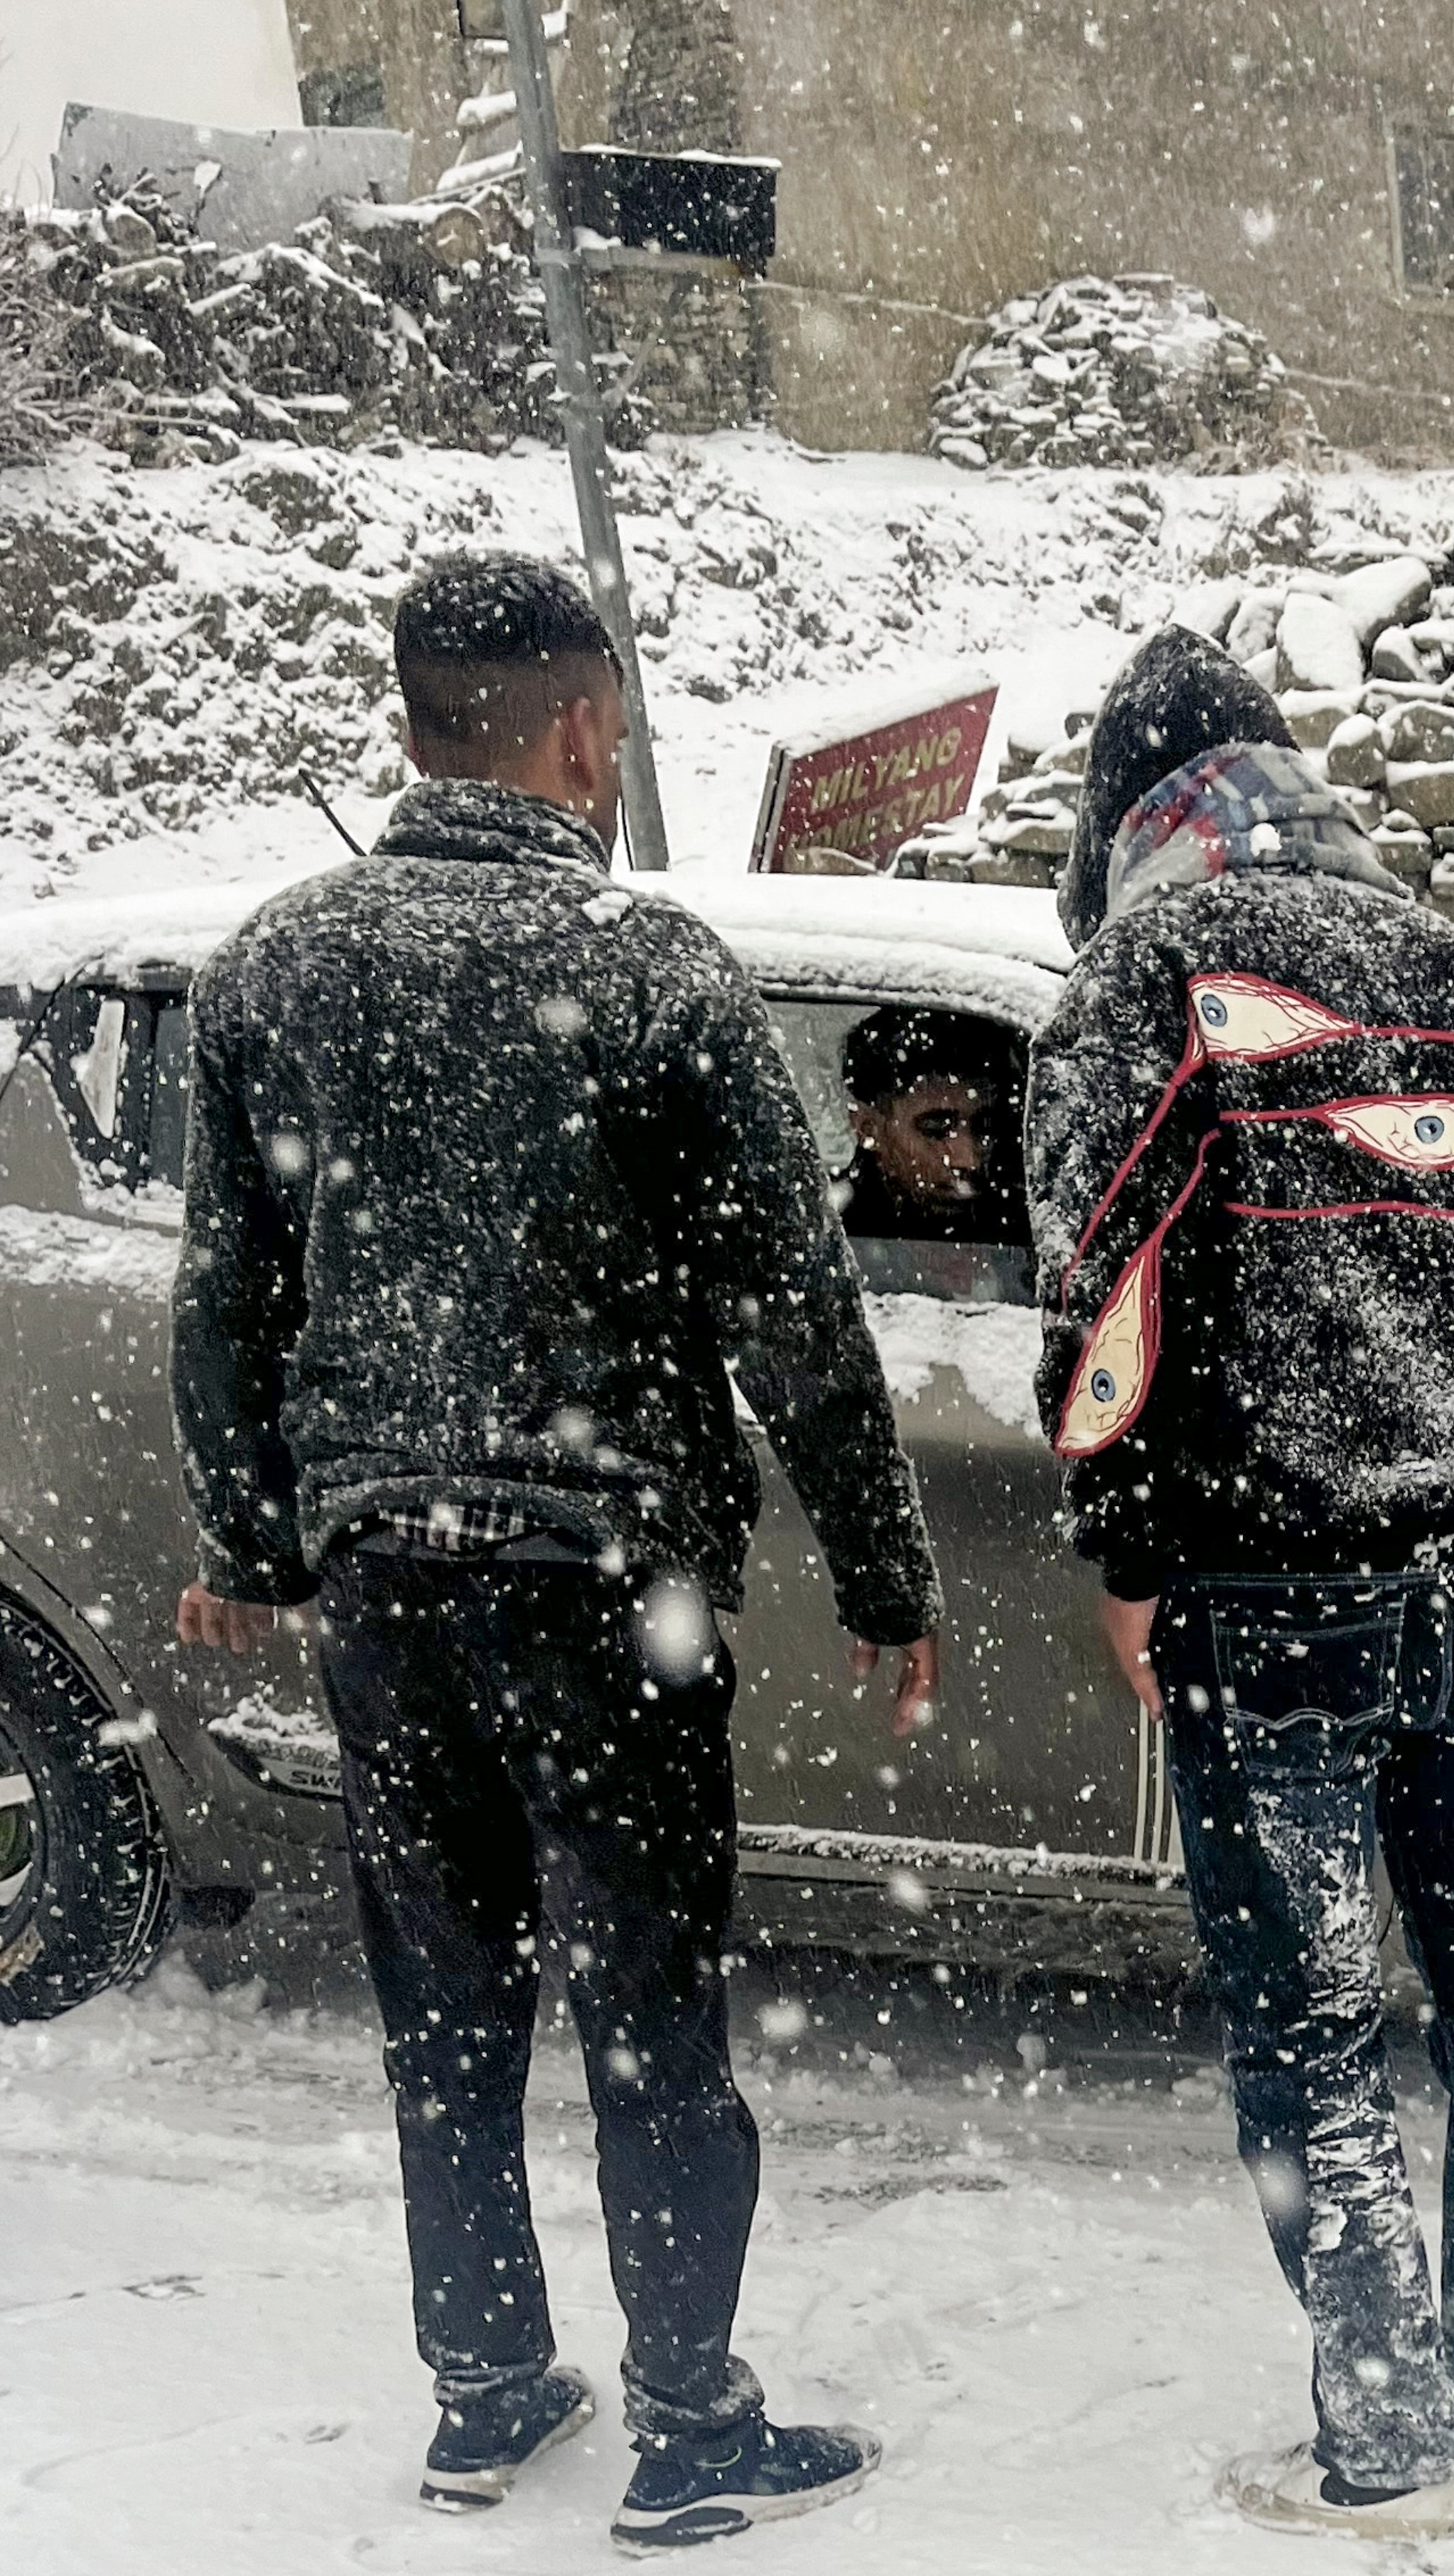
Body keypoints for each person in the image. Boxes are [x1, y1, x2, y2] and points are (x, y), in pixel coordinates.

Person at [170, 553, 946, 2555]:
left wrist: (255, 1527)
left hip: (383, 1585)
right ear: (585, 726)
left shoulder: (271, 968)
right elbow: (795, 1318)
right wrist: (882, 1571)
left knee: (442, 2006)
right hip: (613, 1589)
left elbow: (227, 1295)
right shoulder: (657, 973)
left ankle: (484, 2392)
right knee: (650, 2012)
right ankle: (689, 2421)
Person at [1023, 627, 1454, 2540]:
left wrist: (1129, 1544)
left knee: (1313, 2028)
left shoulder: (1145, 979)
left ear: (1130, 815)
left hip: (1262, 1583)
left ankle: (1385, 2446)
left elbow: (1103, 1297)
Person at [835, 1005, 1025, 1245]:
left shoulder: (1038, 1227)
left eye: (984, 1128)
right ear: (868, 1128)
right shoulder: (828, 1238)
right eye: (936, 1129)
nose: (968, 1160)